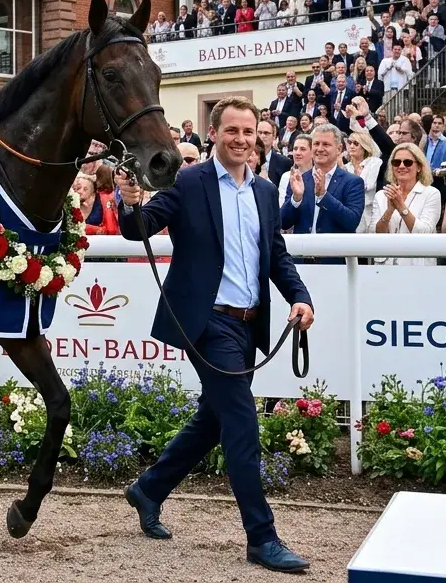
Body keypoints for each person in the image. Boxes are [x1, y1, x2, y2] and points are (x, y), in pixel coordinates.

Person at [117, 97, 314, 574]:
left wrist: (299, 296)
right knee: (242, 424)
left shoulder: (266, 192)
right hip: (207, 323)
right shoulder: (189, 181)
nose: (242, 140)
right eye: (232, 131)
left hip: (249, 324)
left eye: (249, 132)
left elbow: (277, 257)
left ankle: (149, 488)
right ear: (214, 133)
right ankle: (261, 538)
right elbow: (139, 228)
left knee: (214, 419)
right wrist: (129, 202)